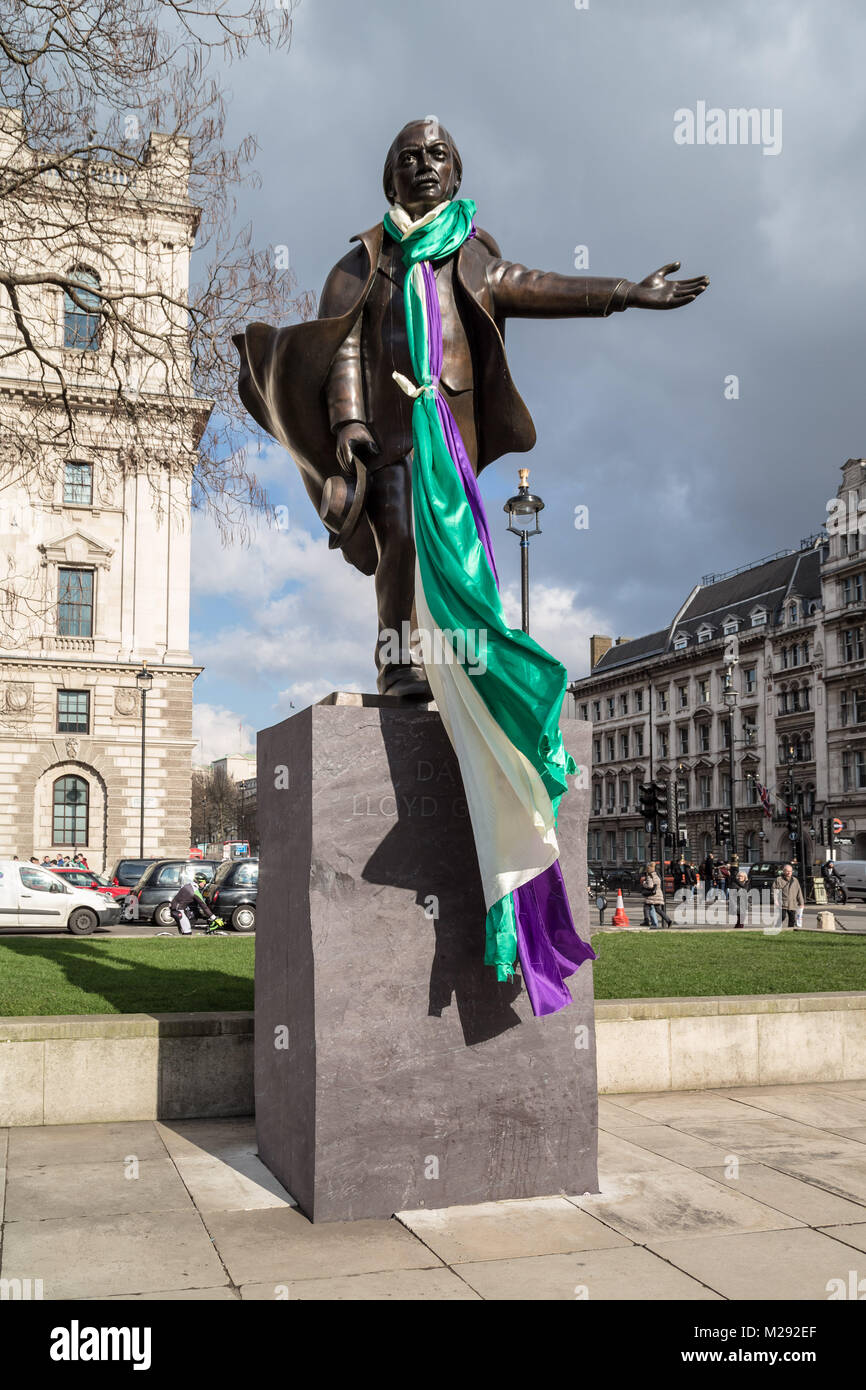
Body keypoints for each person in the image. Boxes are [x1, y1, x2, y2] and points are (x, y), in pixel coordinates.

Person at [234, 119, 708, 697]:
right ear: (391, 181)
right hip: (388, 431)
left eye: (438, 155)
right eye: (409, 158)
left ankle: (458, 658)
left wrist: (625, 293)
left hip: (450, 431)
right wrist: (348, 419)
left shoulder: (472, 254)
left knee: (458, 547)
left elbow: (535, 285)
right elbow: (343, 344)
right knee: (402, 539)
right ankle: (398, 663)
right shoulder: (361, 263)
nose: (424, 165)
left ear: (455, 174)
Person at [642, 861, 672, 929]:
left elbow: (650, 886)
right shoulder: (656, 875)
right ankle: (668, 920)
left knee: (646, 906)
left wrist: (644, 884)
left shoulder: (650, 876)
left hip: (652, 895)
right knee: (658, 909)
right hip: (658, 893)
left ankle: (646, 921)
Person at [773, 863, 804, 930]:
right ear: (783, 871)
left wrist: (801, 902)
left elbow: (799, 892)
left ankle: (790, 931)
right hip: (782, 902)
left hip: (792, 903)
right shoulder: (779, 880)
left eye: (790, 871)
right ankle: (776, 928)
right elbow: (774, 891)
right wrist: (775, 900)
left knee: (792, 919)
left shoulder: (795, 880)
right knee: (782, 916)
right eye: (787, 871)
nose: (789, 872)